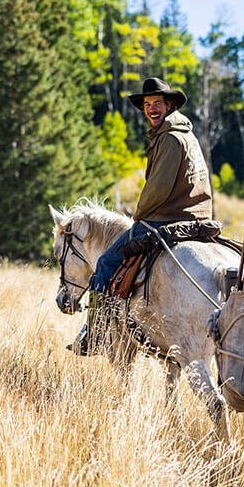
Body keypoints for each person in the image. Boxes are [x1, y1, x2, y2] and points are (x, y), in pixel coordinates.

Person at [72, 76, 212, 353]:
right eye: (147, 104)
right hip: (197, 217)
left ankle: (95, 333)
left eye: (157, 103)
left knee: (105, 263)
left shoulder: (170, 139)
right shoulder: (183, 134)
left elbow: (158, 189)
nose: (151, 109)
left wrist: (139, 215)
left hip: (169, 217)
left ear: (169, 105)